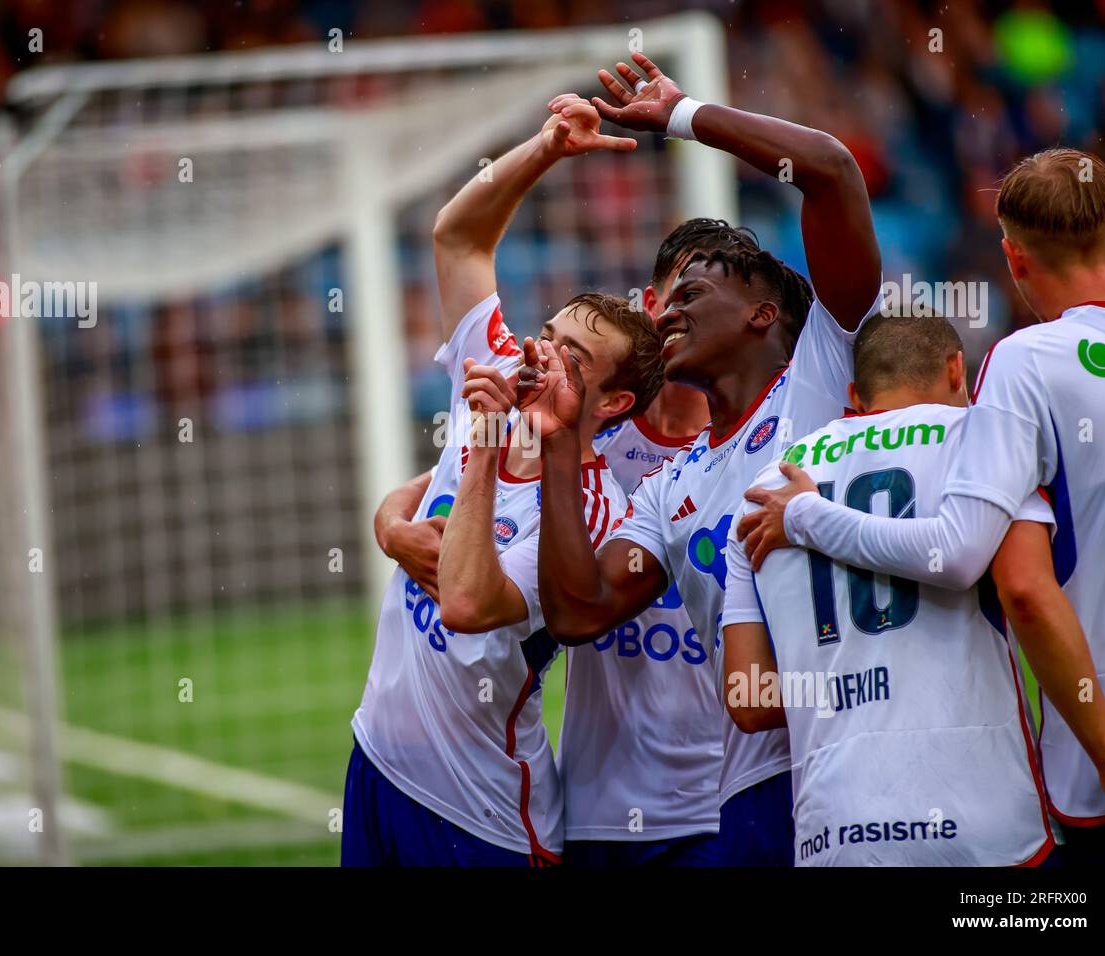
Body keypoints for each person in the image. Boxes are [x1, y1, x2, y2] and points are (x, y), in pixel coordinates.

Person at [528, 53, 882, 865]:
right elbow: (580, 611)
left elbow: (829, 170)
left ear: (764, 314)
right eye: (668, 296)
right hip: (753, 788)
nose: (671, 310)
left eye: (695, 293)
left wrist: (684, 115)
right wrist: (553, 443)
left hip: (864, 749)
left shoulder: (816, 382)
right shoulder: (670, 487)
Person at [737, 148, 1105, 866]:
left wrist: (806, 515)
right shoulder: (976, 410)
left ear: (1013, 260)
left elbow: (992, 572)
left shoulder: (1024, 362)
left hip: (1101, 743)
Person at [343, 97, 662, 866]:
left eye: (572, 360)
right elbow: (457, 236)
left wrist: (481, 444)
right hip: (376, 762)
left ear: (612, 404)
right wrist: (546, 149)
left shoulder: (590, 511)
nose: (540, 356)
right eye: (547, 335)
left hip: (479, 812)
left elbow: (466, 603)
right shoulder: (494, 367)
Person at [723, 311, 1062, 865]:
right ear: (959, 370)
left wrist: (852, 686)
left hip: (837, 829)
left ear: (855, 394)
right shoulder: (979, 442)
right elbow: (1020, 589)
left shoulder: (767, 491)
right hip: (987, 821)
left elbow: (750, 700)